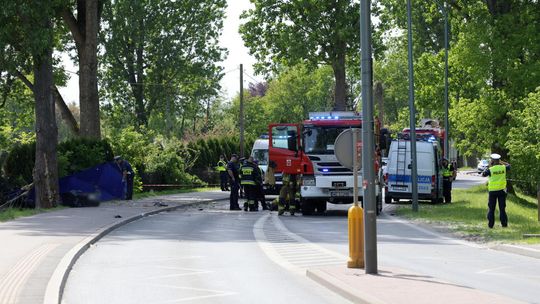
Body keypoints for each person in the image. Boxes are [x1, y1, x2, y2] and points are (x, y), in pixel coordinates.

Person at [482, 153, 511, 228]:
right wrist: (502, 162)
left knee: (491, 209)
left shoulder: (490, 169)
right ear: (499, 161)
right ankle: (504, 224)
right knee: (502, 209)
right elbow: (509, 165)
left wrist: (489, 165)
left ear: (492, 161)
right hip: (502, 191)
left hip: (492, 191)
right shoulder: (503, 168)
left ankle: (491, 225)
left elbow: (483, 174)